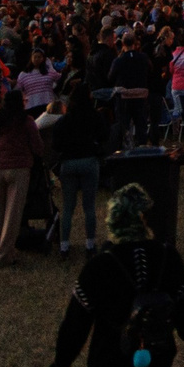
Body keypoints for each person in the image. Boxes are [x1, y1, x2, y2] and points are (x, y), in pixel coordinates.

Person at [48, 181, 184, 367]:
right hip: (156, 357)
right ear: (144, 218)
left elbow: (75, 325)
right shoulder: (167, 256)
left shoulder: (99, 266)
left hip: (108, 362)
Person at [0, 89, 46, 270]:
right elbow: (37, 146)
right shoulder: (25, 121)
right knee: (13, 215)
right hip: (19, 168)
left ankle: (3, 250)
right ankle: (1, 256)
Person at [47, 79, 108, 257]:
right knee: (89, 206)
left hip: (68, 163)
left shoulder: (64, 121)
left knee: (68, 206)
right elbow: (104, 135)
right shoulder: (95, 116)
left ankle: (64, 246)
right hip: (89, 161)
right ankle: (90, 244)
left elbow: (56, 145)